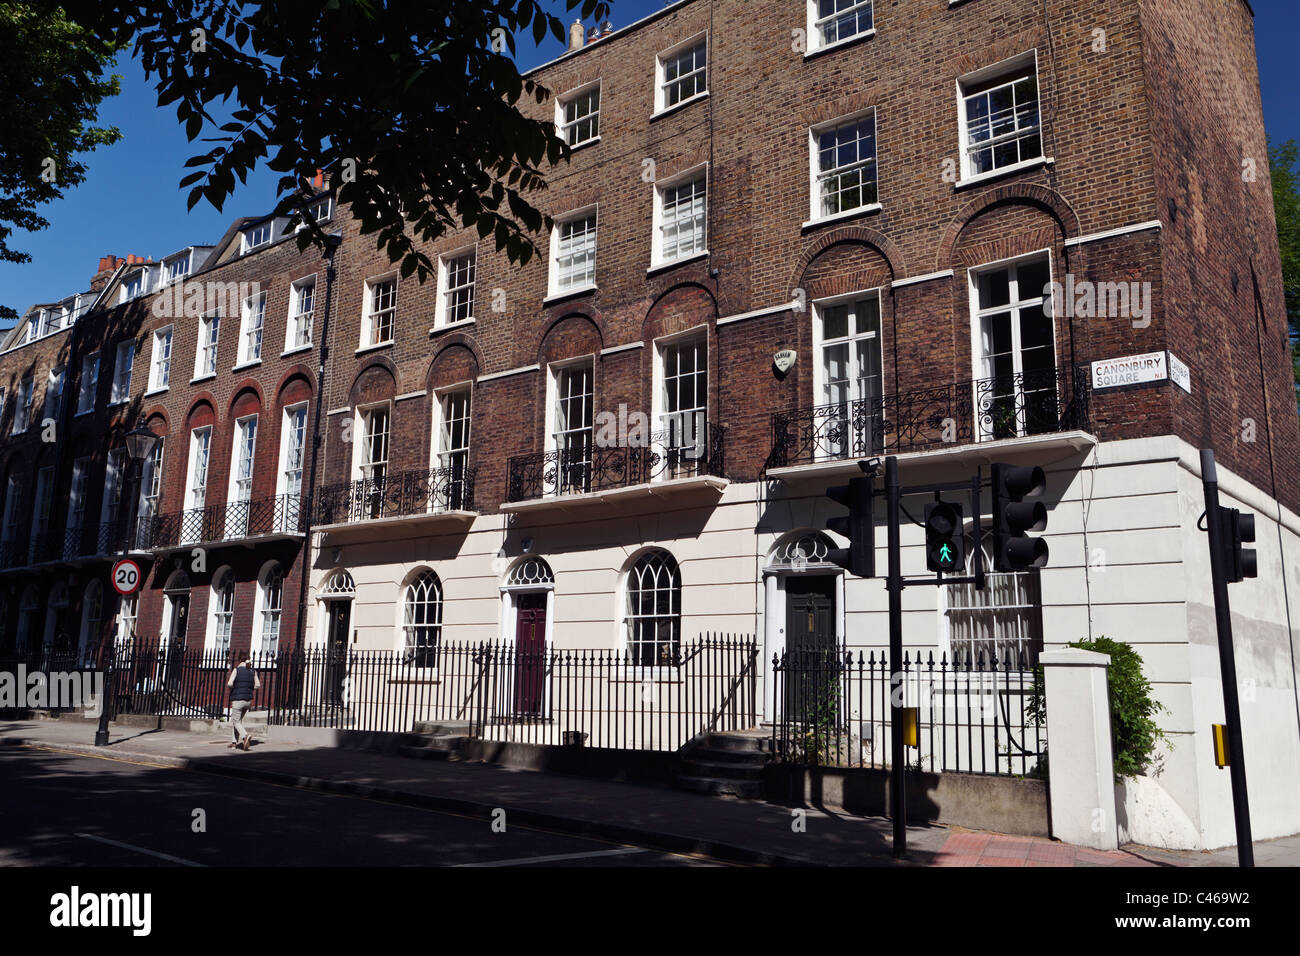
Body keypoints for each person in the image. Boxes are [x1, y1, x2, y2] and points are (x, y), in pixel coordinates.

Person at [226, 655, 261, 751]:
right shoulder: (253, 671)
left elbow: (229, 683)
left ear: (240, 660)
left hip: (238, 699)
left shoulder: (236, 670)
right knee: (237, 721)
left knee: (236, 721)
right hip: (248, 700)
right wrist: (249, 688)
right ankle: (234, 744)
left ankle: (245, 736)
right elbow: (258, 685)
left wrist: (235, 688)